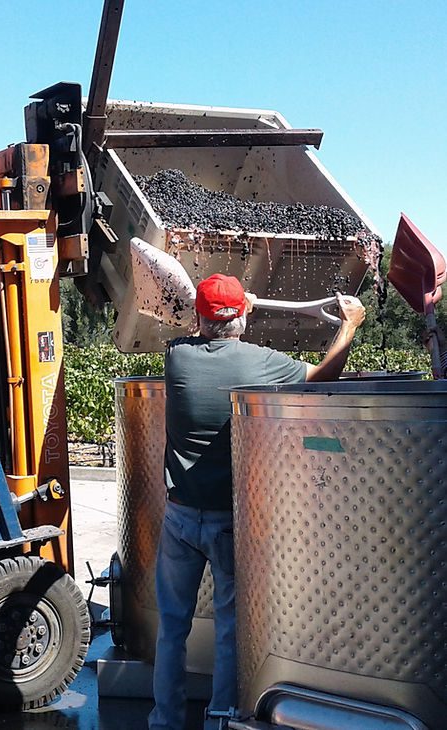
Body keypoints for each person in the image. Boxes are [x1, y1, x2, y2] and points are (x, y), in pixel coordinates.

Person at [148, 273, 366, 730]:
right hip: (232, 522)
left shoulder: (177, 357)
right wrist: (348, 327)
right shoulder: (263, 364)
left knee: (172, 629)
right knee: (230, 629)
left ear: (200, 318)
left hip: (180, 518)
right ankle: (221, 719)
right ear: (243, 317)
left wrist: (227, 309)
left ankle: (164, 722)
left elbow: (194, 326)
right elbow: (322, 379)